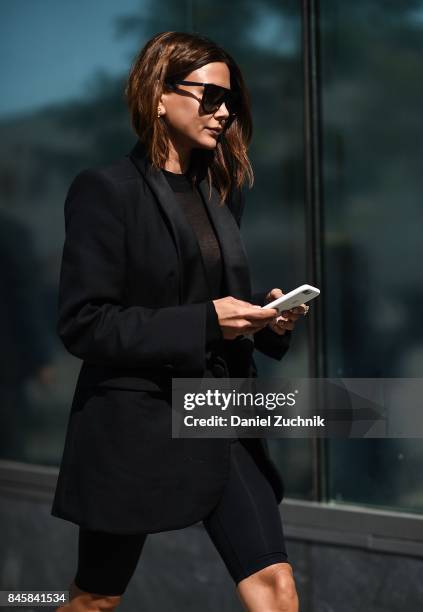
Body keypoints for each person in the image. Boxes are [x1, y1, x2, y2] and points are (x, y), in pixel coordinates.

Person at [52, 31, 308, 612]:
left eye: (231, 101)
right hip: (137, 424)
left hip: (219, 416)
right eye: (210, 96)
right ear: (159, 95)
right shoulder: (106, 191)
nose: (223, 112)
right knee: (95, 599)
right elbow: (84, 324)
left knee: (276, 584)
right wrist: (205, 321)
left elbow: (214, 307)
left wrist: (266, 322)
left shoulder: (219, 192)